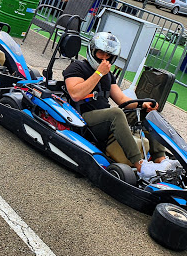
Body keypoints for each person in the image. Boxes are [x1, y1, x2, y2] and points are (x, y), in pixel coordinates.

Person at [63, 32, 176, 179]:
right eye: (100, 53)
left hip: (104, 117)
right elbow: (75, 94)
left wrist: (143, 105)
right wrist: (98, 73)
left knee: (147, 114)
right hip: (81, 117)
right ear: (92, 51)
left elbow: (122, 99)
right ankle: (140, 165)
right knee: (116, 113)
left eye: (108, 55)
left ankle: (160, 160)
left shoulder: (108, 75)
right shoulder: (77, 67)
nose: (104, 58)